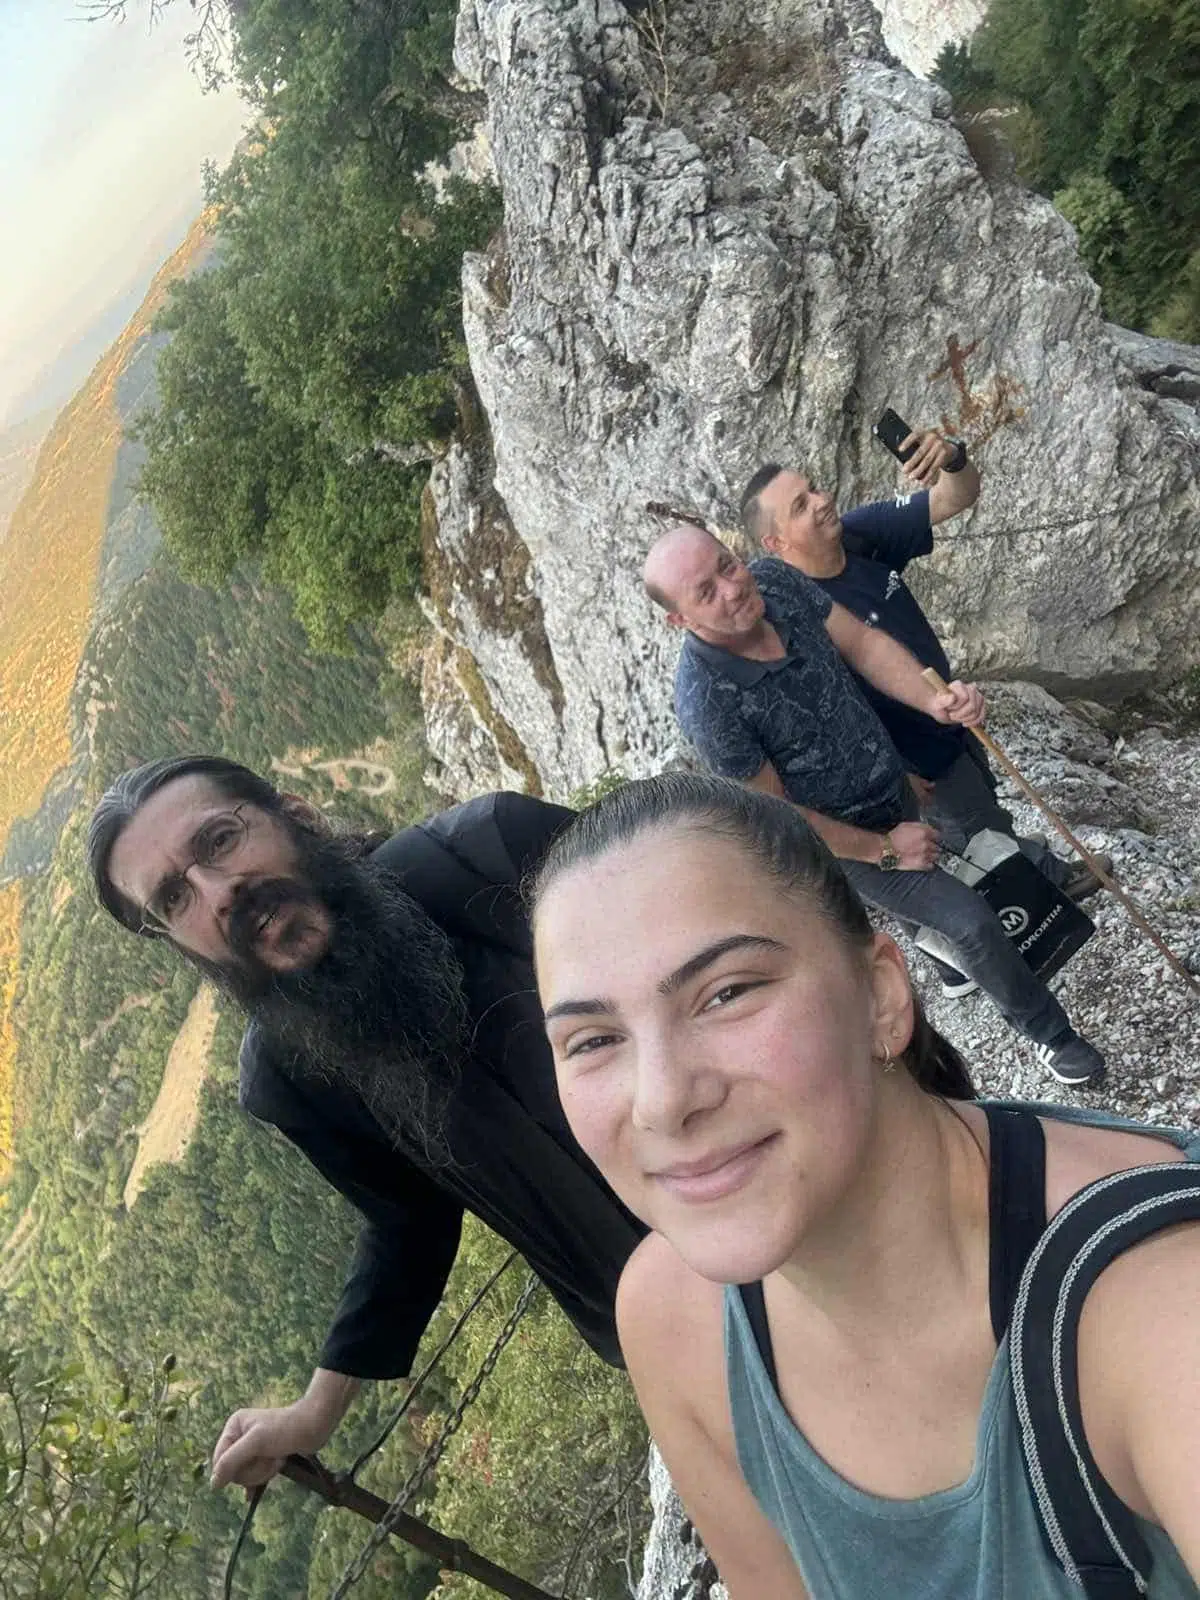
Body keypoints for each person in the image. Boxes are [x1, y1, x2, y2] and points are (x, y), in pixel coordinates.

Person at [529, 774, 1200, 1599]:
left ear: (883, 995)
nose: (662, 1101)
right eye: (592, 1040)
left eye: (728, 992)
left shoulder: (1157, 1300)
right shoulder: (673, 1319)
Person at [86, 756, 645, 1489]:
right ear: (177, 941)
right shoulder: (289, 1079)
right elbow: (407, 1218)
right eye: (173, 897)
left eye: (220, 840)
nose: (219, 894)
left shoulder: (493, 851)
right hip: (658, 1328)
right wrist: (316, 1411)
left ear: (296, 813)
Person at [645, 523, 1105, 1085]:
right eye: (706, 592)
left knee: (949, 893)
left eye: (727, 564)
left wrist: (935, 700)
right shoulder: (707, 702)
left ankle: (951, 969)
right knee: (972, 923)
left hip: (889, 778)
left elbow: (861, 644)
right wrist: (884, 849)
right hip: (843, 841)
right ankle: (1051, 1036)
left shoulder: (776, 582)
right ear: (679, 620)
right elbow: (777, 813)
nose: (733, 587)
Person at [738, 437, 1113, 943]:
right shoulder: (791, 617)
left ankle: (1025, 895)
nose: (822, 502)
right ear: (774, 543)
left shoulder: (860, 533)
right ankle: (1036, 898)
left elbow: (955, 496)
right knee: (975, 834)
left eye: (816, 489)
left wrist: (953, 458)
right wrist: (895, 774)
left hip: (944, 720)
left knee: (983, 817)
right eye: (800, 506)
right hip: (910, 760)